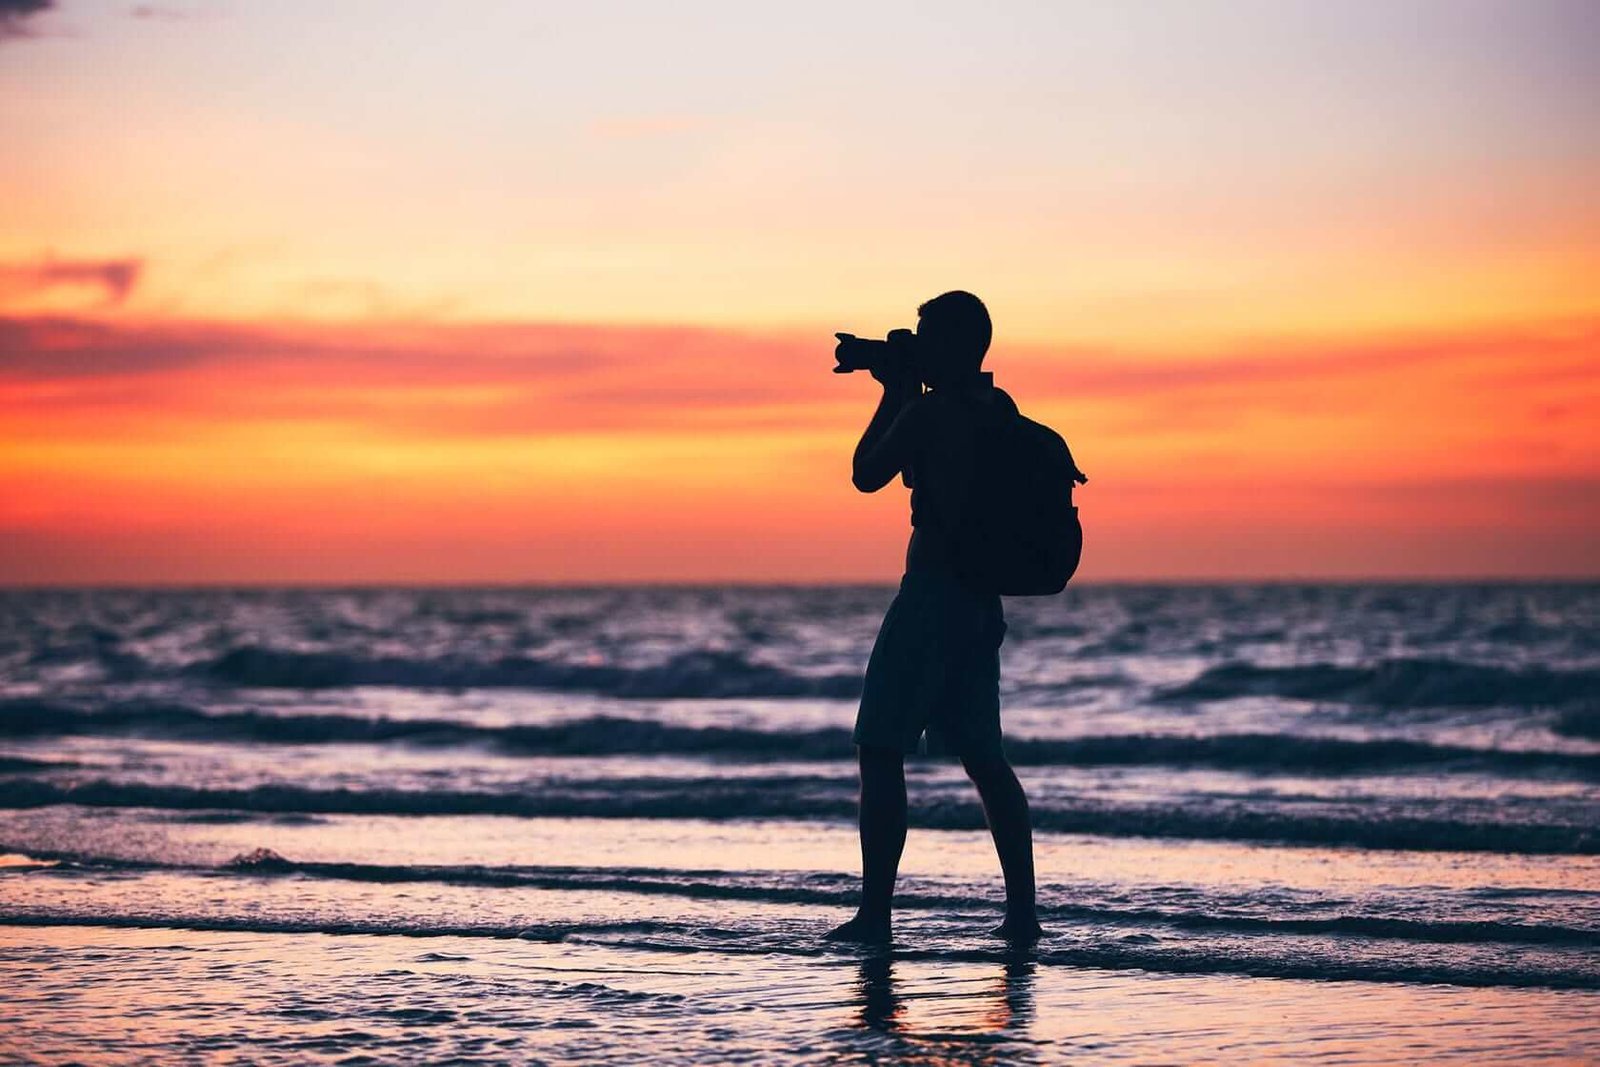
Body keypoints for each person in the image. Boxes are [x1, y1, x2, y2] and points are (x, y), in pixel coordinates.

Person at [824, 290, 1043, 944]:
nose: (916, 345)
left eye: (925, 336)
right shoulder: (999, 407)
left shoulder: (928, 411)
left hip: (931, 598)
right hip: (981, 603)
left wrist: (891, 390)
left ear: (950, 343)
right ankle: (1023, 913)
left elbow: (866, 473)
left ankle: (875, 914)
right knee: (985, 757)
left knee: (880, 747)